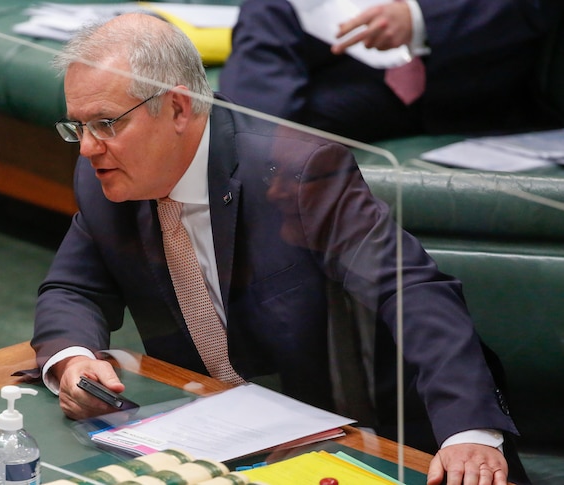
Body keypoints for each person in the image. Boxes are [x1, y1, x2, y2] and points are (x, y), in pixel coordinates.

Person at [32, 12, 528, 485]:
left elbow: (411, 289)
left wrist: (468, 431)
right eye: (78, 127)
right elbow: (73, 287)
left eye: (106, 124)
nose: (88, 147)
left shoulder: (296, 171)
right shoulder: (105, 178)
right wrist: (73, 360)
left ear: (178, 108)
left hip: (373, 440)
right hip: (219, 439)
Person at [218, 0, 564, 142]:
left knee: (289, 125)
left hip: (459, 66)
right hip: (351, 39)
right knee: (268, 9)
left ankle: (233, 160)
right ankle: (232, 156)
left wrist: (419, 17)